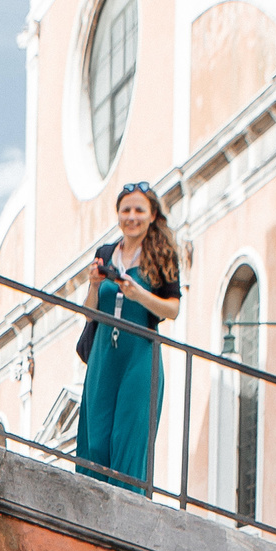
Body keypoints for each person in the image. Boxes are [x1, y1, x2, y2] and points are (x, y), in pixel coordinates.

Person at [75, 182, 181, 489]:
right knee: (95, 442)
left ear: (152, 215)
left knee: (128, 440)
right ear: (118, 214)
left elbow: (173, 309)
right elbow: (90, 313)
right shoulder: (106, 253)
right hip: (103, 356)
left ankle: (126, 508)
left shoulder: (162, 256)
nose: (131, 217)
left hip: (139, 355)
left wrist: (139, 295)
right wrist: (94, 284)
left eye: (139, 210)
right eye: (126, 210)